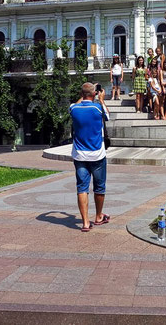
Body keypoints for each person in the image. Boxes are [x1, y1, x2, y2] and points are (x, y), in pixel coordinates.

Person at [69, 82, 111, 232]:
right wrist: (101, 99)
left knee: (82, 188)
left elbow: (78, 102)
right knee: (99, 187)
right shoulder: (98, 108)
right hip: (97, 155)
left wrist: (86, 92)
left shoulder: (73, 109)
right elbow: (108, 115)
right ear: (94, 94)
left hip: (80, 155)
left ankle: (85, 223)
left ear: (81, 94)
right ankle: (98, 216)